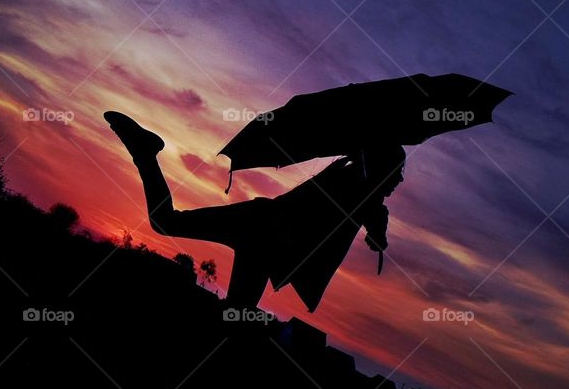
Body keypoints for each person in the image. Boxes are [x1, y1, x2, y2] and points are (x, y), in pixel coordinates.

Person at [105, 111, 405, 312]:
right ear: (380, 170)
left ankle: (144, 153)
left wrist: (377, 232)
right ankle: (145, 152)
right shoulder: (358, 188)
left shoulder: (359, 190)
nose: (401, 179)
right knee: (166, 222)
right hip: (261, 230)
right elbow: (369, 218)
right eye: (397, 171)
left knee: (167, 223)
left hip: (262, 234)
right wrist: (377, 232)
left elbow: (370, 223)